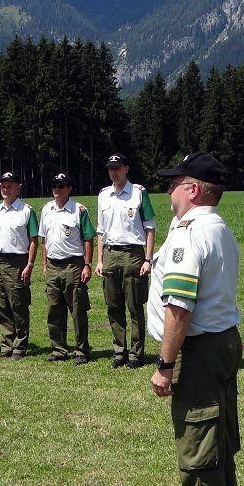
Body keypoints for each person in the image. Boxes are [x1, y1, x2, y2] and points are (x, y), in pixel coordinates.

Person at [149, 152, 242, 486]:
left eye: (174, 182)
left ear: (193, 189)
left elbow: (180, 308)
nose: (168, 190)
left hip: (199, 350)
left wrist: (165, 364)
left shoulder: (189, 234)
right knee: (218, 443)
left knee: (199, 451)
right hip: (223, 341)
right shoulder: (219, 229)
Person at [96, 154, 157, 369]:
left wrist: (148, 259)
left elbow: (150, 228)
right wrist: (100, 260)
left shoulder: (138, 193)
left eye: (118, 168)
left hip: (133, 255)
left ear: (126, 169)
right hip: (110, 255)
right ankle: (119, 351)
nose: (114, 172)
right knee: (113, 306)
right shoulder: (104, 195)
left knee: (134, 305)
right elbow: (101, 231)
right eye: (111, 168)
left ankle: (136, 353)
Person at [39, 172, 96, 364]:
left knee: (78, 309)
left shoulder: (79, 210)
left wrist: (87, 265)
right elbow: (44, 240)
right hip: (53, 265)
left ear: (69, 188)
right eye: (54, 185)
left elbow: (88, 239)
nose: (57, 189)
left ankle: (81, 350)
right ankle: (58, 349)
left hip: (73, 264)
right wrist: (44, 263)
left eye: (61, 186)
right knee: (54, 309)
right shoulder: (46, 209)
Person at [0, 171, 38, 359]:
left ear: (18, 187)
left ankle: (20, 346)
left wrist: (30, 265)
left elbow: (34, 240)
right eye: (3, 185)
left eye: (10, 185)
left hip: (17, 262)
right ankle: (6, 345)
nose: (6, 189)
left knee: (18, 304)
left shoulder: (27, 211)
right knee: (1, 305)